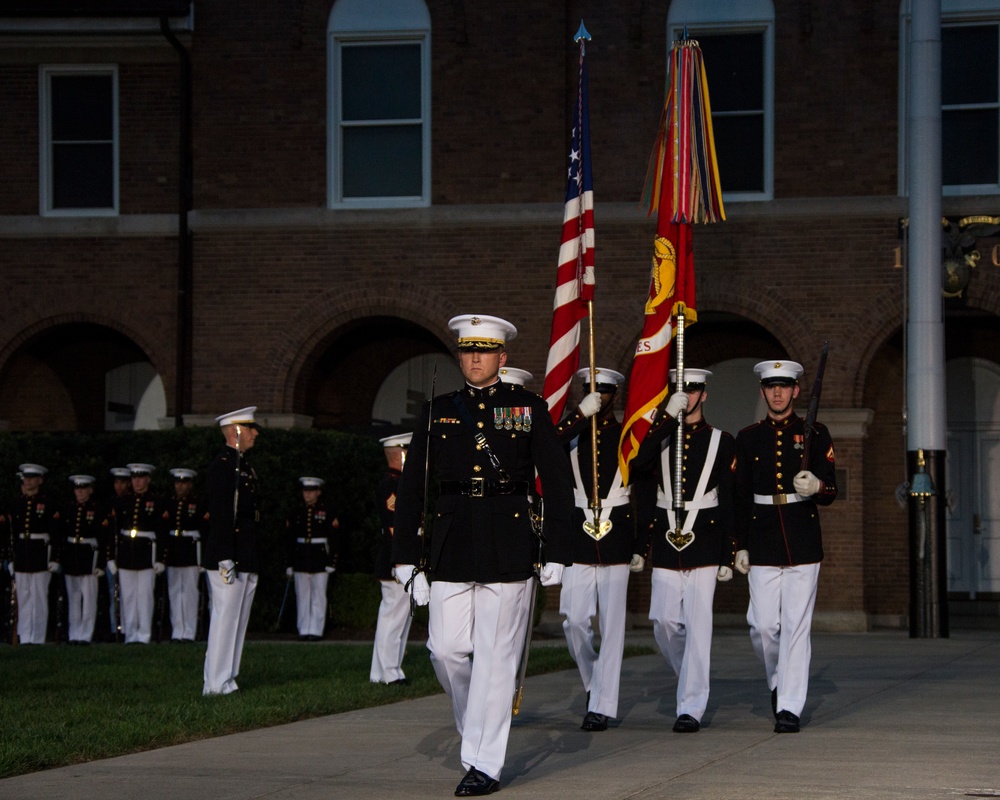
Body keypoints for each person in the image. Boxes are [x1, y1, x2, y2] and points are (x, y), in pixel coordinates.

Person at [392, 313, 573, 797]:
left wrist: (557, 547)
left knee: (496, 659)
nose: (475, 358)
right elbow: (413, 487)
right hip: (452, 538)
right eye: (467, 350)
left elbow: (557, 482)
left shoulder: (527, 408)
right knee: (446, 649)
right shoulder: (440, 409)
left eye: (484, 351)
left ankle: (484, 763)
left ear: (501, 357)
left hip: (509, 538)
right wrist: (407, 553)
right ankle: (478, 724)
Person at [734, 360, 838, 733]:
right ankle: (779, 680)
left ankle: (790, 706)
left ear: (795, 390)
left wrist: (817, 488)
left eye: (784, 386)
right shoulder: (748, 437)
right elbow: (740, 496)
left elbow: (832, 488)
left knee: (796, 626)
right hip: (762, 537)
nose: (777, 392)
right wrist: (739, 545)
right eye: (770, 386)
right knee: (762, 625)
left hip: (802, 537)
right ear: (763, 392)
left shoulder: (816, 432)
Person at [633, 369, 736, 733]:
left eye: (692, 390)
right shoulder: (659, 437)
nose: (687, 396)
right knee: (663, 622)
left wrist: (729, 553)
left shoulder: (722, 441)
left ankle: (690, 706)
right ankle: (690, 678)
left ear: (704, 395)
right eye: (680, 390)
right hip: (665, 536)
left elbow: (730, 501)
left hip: (706, 538)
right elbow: (637, 465)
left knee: (698, 625)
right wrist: (662, 419)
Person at [554, 367, 640, 732]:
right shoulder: (571, 432)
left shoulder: (625, 434)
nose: (599, 397)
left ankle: (603, 704)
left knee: (612, 625)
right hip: (578, 534)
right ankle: (593, 683)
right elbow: (546, 444)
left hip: (617, 531)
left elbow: (645, 476)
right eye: (592, 391)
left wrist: (640, 542)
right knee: (573, 620)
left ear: (615, 396)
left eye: (604, 392)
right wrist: (579, 415)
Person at [203, 406, 262, 696]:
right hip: (228, 555)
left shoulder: (242, 465)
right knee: (225, 619)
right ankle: (215, 682)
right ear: (236, 432)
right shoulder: (224, 466)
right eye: (250, 428)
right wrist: (225, 555)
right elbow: (222, 514)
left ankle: (228, 678)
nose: (255, 433)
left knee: (237, 620)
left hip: (244, 554)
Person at [370, 432, 414, 684]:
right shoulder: (392, 485)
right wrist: (403, 560)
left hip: (402, 559)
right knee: (393, 619)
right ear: (401, 454)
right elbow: (394, 528)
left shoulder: (401, 483)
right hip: (396, 560)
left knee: (399, 618)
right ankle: (388, 671)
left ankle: (385, 671)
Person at [109, 463, 168, 644]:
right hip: (127, 554)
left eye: (140, 478)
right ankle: (130, 634)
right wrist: (111, 557)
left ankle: (144, 635)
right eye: (134, 478)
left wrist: (160, 558)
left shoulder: (157, 502)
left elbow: (162, 531)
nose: (137, 482)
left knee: (145, 597)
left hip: (146, 554)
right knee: (128, 597)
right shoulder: (122, 502)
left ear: (148, 479)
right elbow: (113, 531)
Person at [7, 464, 61, 644]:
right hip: (22, 553)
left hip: (40, 552)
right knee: (23, 597)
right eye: (25, 478)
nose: (28, 481)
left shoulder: (48, 503)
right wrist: (11, 557)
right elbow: (11, 533)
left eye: (31, 477)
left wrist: (54, 558)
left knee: (39, 597)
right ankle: (24, 637)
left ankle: (37, 637)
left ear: (40, 480)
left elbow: (55, 532)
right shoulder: (16, 504)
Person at [285, 476, 339, 641]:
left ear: (318, 492)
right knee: (302, 595)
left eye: (311, 491)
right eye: (305, 491)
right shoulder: (296, 512)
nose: (307, 495)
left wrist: (331, 561)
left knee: (318, 595)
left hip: (320, 557)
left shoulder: (327, 511)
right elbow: (289, 539)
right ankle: (304, 628)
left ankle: (316, 629)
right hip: (301, 557)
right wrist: (289, 563)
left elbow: (334, 538)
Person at [59, 475, 111, 644]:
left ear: (90, 490)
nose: (79, 492)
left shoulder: (97, 509)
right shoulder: (68, 508)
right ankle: (74, 633)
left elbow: (103, 538)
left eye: (83, 488)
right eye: (77, 488)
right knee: (73, 598)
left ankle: (85, 634)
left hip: (90, 556)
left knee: (89, 598)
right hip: (71, 555)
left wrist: (102, 563)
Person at [164, 468, 205, 643]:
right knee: (174, 592)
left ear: (190, 484)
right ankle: (177, 630)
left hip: (190, 550)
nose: (180, 486)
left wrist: (203, 558)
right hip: (174, 550)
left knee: (190, 592)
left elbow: (204, 530)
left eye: (183, 483)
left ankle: (189, 631)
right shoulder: (170, 503)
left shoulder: (197, 503)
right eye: (177, 483)